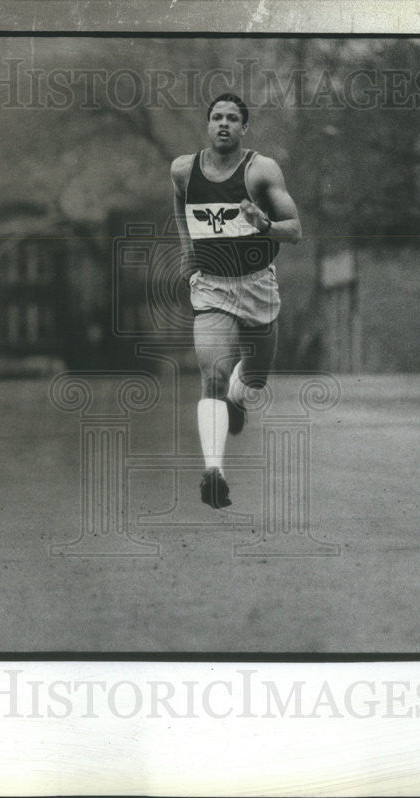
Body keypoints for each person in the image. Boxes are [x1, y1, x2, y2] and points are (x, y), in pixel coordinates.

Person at [171, 92, 302, 509]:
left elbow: (295, 229)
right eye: (216, 118)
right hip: (211, 287)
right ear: (207, 125)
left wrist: (264, 224)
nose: (223, 124)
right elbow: (181, 209)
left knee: (255, 379)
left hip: (257, 285)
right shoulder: (182, 170)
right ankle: (214, 472)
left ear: (244, 128)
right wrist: (188, 258)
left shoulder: (261, 170)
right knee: (211, 372)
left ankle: (237, 400)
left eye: (232, 118)